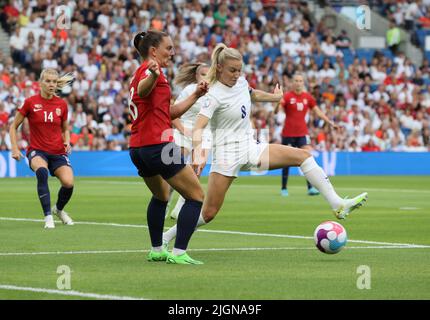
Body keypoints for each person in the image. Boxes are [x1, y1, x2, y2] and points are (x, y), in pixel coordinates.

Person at [162, 44, 368, 254]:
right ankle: (166, 237)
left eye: (239, 70)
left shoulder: (241, 82)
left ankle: (337, 204)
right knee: (209, 213)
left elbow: (252, 94)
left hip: (251, 147)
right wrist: (199, 151)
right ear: (221, 67)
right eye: (232, 70)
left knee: (303, 156)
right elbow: (198, 126)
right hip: (226, 155)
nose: (237, 74)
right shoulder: (213, 94)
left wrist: (274, 97)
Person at [129, 30, 209, 265]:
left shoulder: (141, 73)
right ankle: (179, 252)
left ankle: (156, 249)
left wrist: (195, 95)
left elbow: (169, 113)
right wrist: (153, 76)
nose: (172, 53)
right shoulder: (150, 72)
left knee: (161, 195)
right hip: (159, 145)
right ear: (154, 50)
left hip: (139, 149)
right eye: (169, 48)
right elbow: (144, 89)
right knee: (195, 196)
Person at [9, 68, 75, 229]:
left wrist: (67, 141)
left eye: (54, 81)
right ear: (41, 83)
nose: (51, 84)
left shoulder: (61, 104)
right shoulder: (30, 102)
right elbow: (13, 127)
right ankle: (48, 217)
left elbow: (65, 128)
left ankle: (58, 210)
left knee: (68, 183)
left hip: (57, 151)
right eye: (48, 81)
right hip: (37, 150)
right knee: (42, 172)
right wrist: (15, 149)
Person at [275, 73, 339, 197]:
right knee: (286, 162)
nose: (298, 83)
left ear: (303, 83)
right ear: (292, 82)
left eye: (300, 81)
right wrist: (277, 102)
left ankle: (310, 188)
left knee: (307, 159)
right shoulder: (287, 97)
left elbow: (318, 111)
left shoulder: (308, 97)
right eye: (296, 80)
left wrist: (329, 122)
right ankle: (284, 188)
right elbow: (276, 111)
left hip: (302, 133)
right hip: (288, 133)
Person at [168, 63, 212, 220]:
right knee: (174, 168)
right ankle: (166, 200)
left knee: (196, 170)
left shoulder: (218, 93)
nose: (205, 78)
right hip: (184, 128)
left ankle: (180, 206)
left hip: (205, 132)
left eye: (208, 74)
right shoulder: (189, 90)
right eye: (202, 74)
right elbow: (173, 113)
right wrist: (183, 130)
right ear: (196, 76)